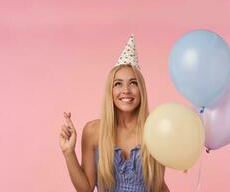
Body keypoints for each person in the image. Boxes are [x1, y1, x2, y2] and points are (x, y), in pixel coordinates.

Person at [59, 34, 170, 192]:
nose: (126, 90)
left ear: (141, 90)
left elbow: (159, 187)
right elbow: (85, 189)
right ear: (110, 91)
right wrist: (68, 152)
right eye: (118, 84)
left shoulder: (154, 130)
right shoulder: (93, 131)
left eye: (133, 83)